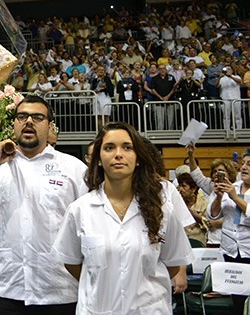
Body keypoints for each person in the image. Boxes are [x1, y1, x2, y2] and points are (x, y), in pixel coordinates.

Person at [0, 95, 87, 315]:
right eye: (22, 116)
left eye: (37, 117)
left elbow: (89, 224)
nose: (29, 121)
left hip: (57, 293)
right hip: (2, 290)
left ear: (50, 126)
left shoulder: (73, 169)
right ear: (14, 124)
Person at [53, 122, 194, 315]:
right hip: (97, 309)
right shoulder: (79, 210)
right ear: (99, 159)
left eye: (127, 147)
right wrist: (104, 284)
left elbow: (173, 263)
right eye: (109, 147)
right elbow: (71, 262)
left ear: (137, 158)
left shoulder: (162, 210)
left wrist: (141, 285)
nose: (118, 154)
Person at [208, 150, 250, 315]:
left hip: (248, 250)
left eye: (249, 164)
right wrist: (218, 197)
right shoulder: (233, 186)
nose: (244, 167)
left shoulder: (233, 191)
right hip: (231, 250)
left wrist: (235, 197)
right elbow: (213, 214)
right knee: (237, 298)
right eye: (244, 163)